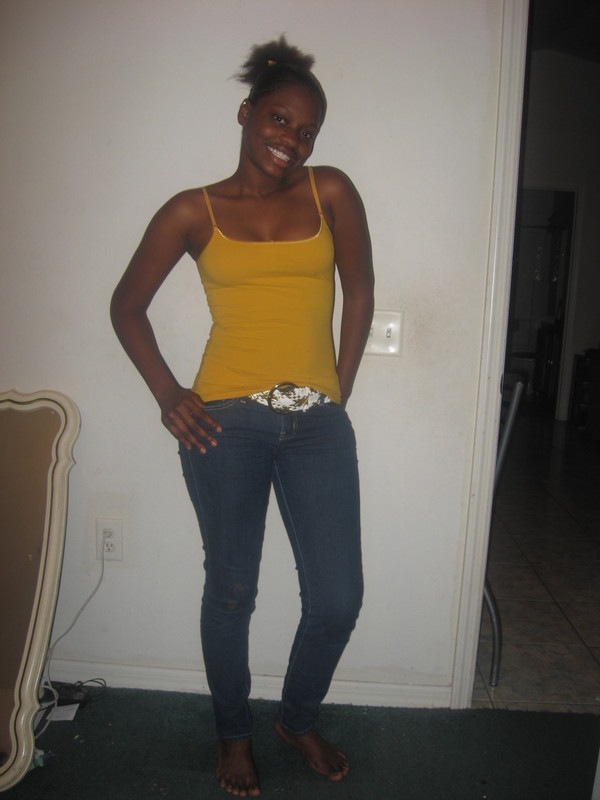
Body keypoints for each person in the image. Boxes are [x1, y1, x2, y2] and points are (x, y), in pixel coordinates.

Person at [110, 35, 374, 797]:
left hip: (315, 421)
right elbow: (127, 306)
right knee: (231, 590)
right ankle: (233, 735)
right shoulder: (192, 210)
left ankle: (295, 717)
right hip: (223, 421)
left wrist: (336, 393)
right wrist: (169, 393)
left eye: (307, 130)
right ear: (247, 112)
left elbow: (360, 291)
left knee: (338, 598)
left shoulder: (331, 191)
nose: (293, 139)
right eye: (280, 119)